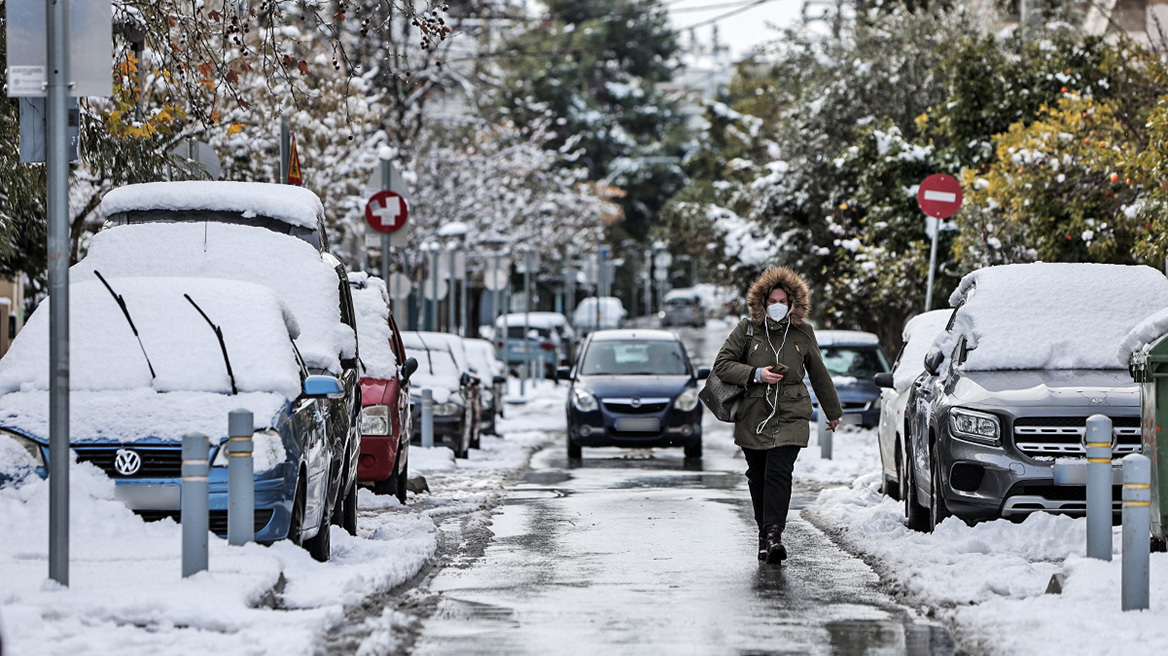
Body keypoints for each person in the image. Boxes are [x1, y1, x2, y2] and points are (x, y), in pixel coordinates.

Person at [712, 266, 842, 564]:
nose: (777, 306)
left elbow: (819, 373)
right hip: (754, 413)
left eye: (783, 300)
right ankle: (763, 534)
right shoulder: (747, 329)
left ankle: (774, 535)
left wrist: (831, 411)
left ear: (793, 303)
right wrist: (755, 373)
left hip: (792, 412)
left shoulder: (803, 332)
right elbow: (722, 364)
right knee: (758, 476)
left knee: (778, 473)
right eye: (772, 301)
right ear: (762, 303)